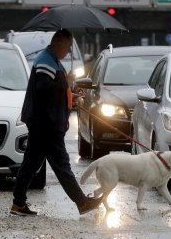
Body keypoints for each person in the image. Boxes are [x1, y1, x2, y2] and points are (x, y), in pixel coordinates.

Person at [11, 29, 103, 216]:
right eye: (68, 47)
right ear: (59, 43)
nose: (69, 51)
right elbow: (43, 87)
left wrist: (71, 96)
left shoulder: (51, 60)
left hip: (43, 122)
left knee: (30, 164)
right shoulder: (46, 62)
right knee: (62, 164)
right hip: (46, 125)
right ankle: (82, 202)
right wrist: (66, 82)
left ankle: (18, 204)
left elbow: (52, 92)